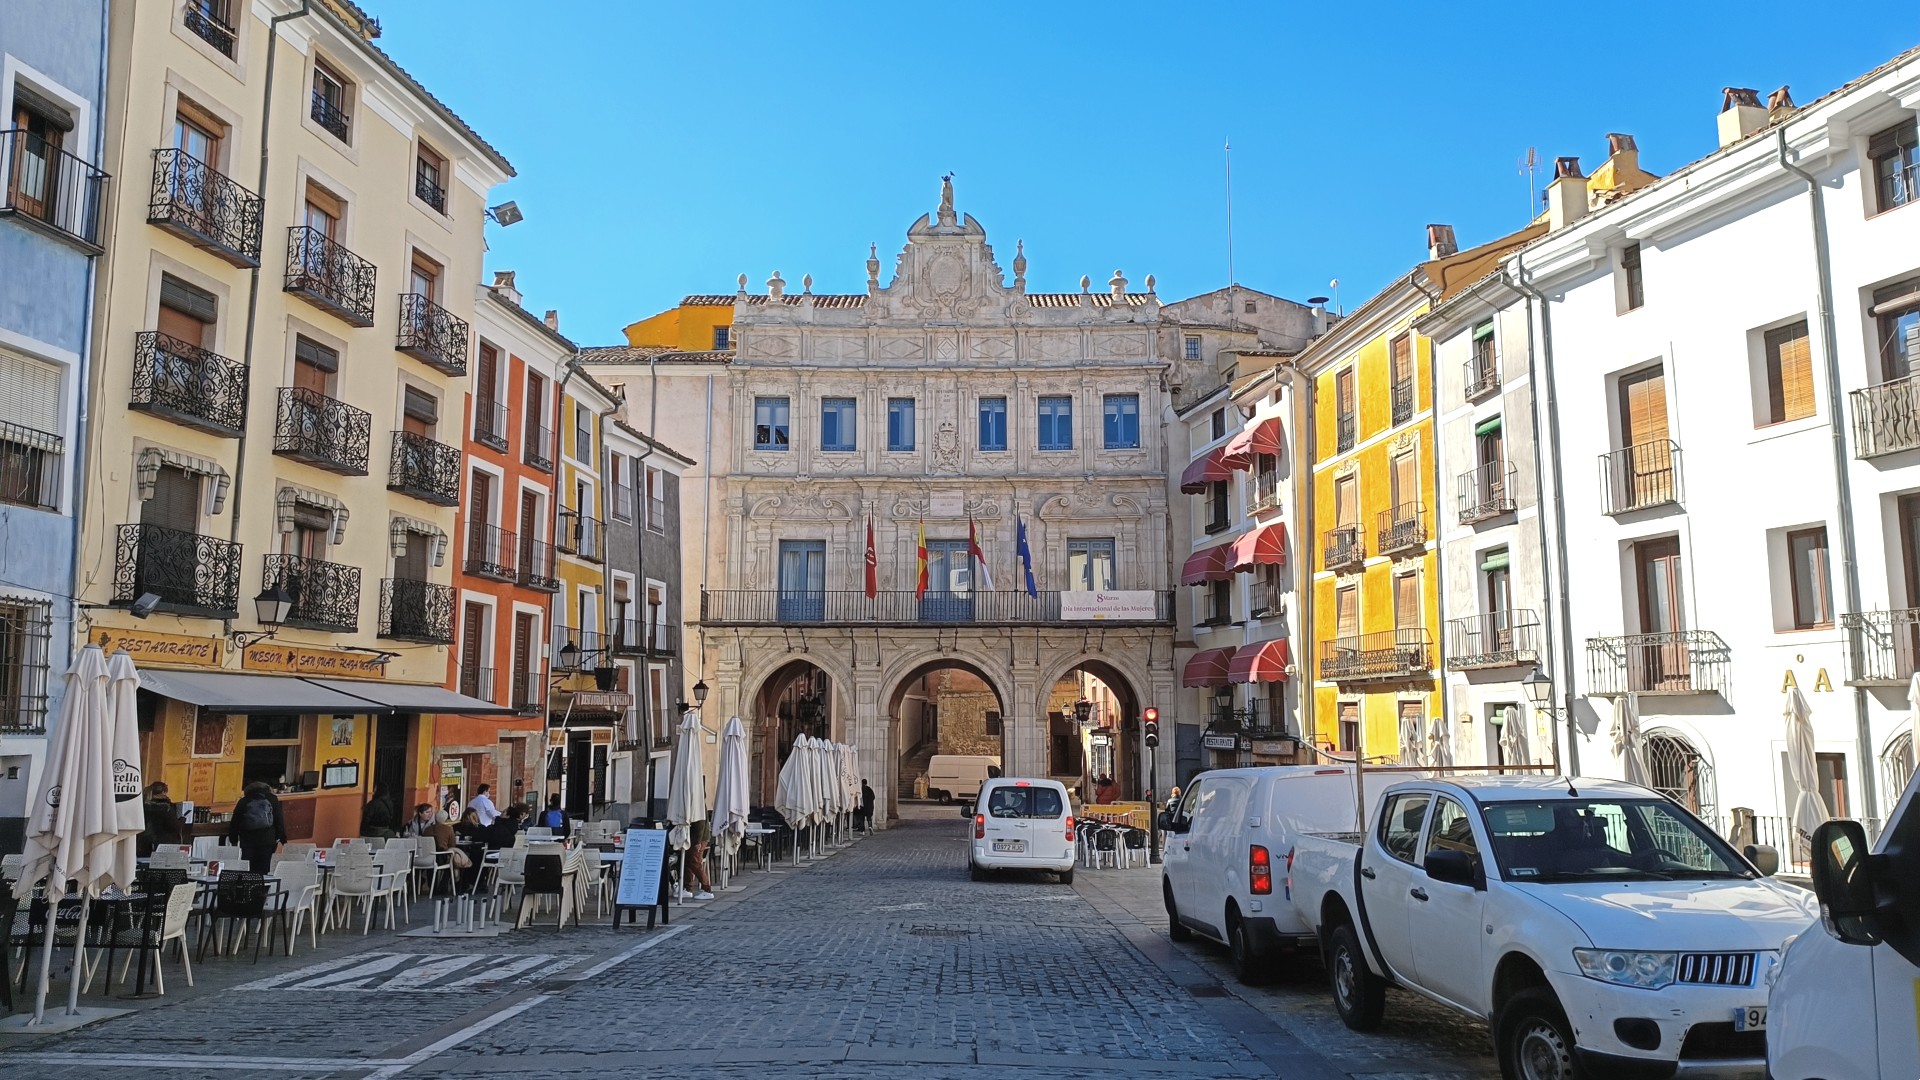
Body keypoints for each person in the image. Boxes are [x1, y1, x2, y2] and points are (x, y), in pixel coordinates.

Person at [228, 781, 285, 874]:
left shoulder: (244, 801)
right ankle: (262, 887)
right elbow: (279, 819)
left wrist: (233, 839)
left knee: (248, 869)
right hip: (267, 840)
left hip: (248, 840)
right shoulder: (272, 799)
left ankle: (248, 887)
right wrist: (279, 837)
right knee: (264, 868)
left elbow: (235, 821)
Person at [140, 781, 188, 857]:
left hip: (145, 844)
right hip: (163, 845)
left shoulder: (143, 806)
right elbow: (174, 826)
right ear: (164, 792)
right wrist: (182, 820)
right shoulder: (166, 807)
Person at [682, 818, 714, 900]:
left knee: (694, 862)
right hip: (696, 837)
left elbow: (700, 822)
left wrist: (698, 841)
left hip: (698, 838)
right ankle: (687, 887)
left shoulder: (698, 805)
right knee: (688, 861)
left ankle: (707, 889)